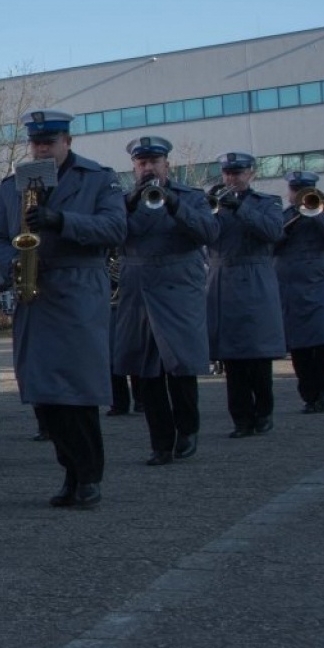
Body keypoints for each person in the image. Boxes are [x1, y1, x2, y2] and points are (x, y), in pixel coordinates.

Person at [0, 109, 126, 511]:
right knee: (46, 393)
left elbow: (116, 229)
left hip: (78, 289)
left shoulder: (99, 178)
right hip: (35, 291)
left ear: (67, 142)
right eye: (37, 143)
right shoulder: (13, 185)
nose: (43, 149)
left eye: (51, 142)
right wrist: (9, 264)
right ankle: (69, 472)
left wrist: (62, 220)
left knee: (77, 392)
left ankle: (88, 476)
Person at [112, 137, 218, 464]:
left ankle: (187, 430)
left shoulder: (191, 197)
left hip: (177, 285)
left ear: (166, 165)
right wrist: (128, 204)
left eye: (154, 162)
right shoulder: (121, 201)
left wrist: (174, 204)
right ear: (134, 167)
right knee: (147, 372)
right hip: (139, 288)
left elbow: (209, 233)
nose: (148, 168)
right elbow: (110, 236)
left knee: (181, 366)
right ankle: (160, 442)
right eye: (142, 163)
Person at [205, 152, 286, 437]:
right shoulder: (213, 203)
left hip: (255, 280)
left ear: (251, 174)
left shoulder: (268, 203)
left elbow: (274, 232)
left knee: (258, 356)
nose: (232, 178)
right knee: (233, 359)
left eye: (238, 173)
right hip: (223, 282)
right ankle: (241, 419)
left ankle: (263, 413)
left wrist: (239, 208)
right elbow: (202, 235)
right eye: (227, 173)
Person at [274, 170, 324, 413]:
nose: (298, 195)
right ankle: (309, 394)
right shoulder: (284, 216)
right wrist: (290, 224)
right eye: (295, 190)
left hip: (322, 285)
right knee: (300, 346)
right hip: (292, 286)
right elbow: (271, 241)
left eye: (303, 190)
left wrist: (316, 214)